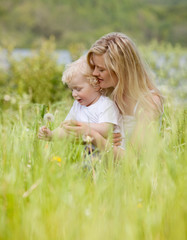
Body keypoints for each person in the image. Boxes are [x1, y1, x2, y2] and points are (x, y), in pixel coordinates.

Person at [62, 32, 164, 158]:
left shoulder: (149, 102)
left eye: (101, 69)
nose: (94, 73)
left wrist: (95, 137)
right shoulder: (104, 96)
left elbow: (135, 160)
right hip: (102, 171)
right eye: (94, 67)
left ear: (121, 69)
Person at [38, 56, 125, 149]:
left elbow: (106, 129)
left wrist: (82, 127)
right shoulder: (77, 105)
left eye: (78, 89)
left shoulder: (106, 105)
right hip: (90, 151)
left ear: (95, 85)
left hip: (111, 152)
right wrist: (51, 135)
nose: (74, 94)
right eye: (72, 90)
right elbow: (66, 128)